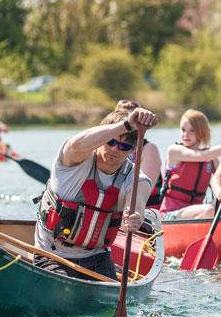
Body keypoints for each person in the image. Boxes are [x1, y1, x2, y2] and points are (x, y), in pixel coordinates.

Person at [34, 107, 157, 280]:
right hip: (51, 253)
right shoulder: (74, 160)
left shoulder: (137, 179)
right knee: (66, 296)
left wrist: (135, 216)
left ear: (132, 151)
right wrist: (127, 125)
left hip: (97, 257)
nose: (115, 149)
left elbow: (136, 204)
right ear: (101, 138)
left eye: (124, 146)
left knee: (107, 303)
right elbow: (75, 145)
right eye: (111, 142)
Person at [160, 109, 221, 220]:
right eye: (183, 130)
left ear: (201, 132)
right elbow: (203, 155)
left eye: (192, 131)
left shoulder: (211, 158)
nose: (186, 134)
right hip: (170, 214)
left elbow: (219, 181)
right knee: (209, 210)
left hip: (198, 212)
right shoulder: (174, 151)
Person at [114, 99, 163, 210]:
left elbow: (144, 190)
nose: (128, 123)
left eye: (132, 118)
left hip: (145, 209)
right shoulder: (108, 146)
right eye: (122, 117)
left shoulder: (149, 149)